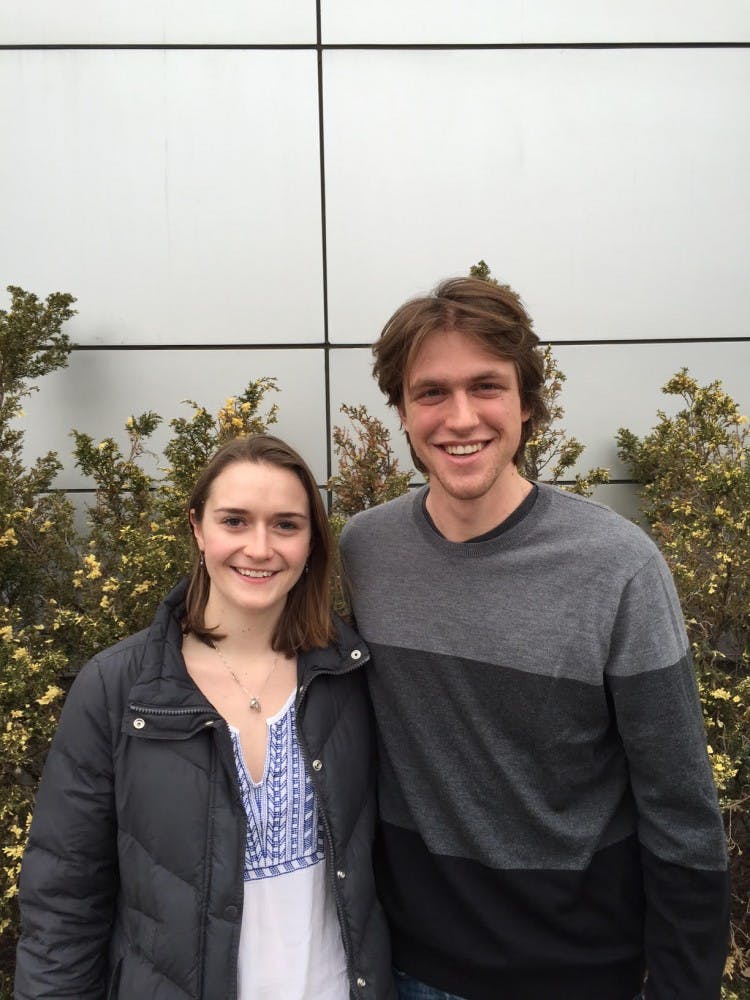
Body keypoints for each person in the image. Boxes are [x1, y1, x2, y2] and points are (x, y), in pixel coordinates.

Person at [339, 276, 729, 1000]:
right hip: (404, 968)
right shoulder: (365, 552)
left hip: (577, 973)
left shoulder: (617, 566)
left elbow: (680, 807)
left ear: (526, 401)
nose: (460, 418)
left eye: (486, 386)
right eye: (431, 392)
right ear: (402, 411)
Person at [15, 434, 394, 1000]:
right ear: (197, 527)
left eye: (286, 525)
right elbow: (64, 899)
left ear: (312, 540)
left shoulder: (350, 674)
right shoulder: (118, 688)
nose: (259, 548)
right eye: (234, 521)